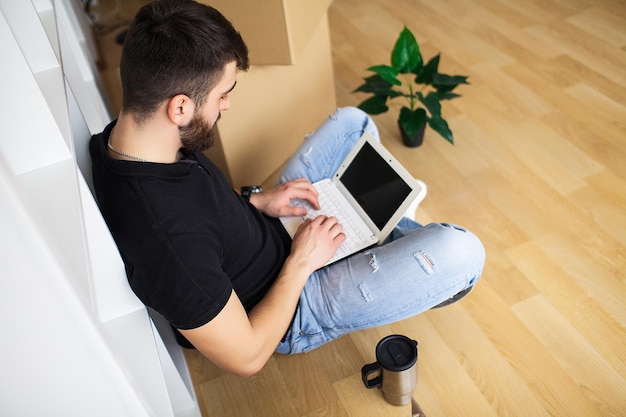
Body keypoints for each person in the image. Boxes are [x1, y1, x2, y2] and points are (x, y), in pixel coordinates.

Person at [90, 0, 485, 377]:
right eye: (223, 95)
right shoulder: (167, 244)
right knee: (463, 252)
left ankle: (375, 233)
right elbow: (246, 356)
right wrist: (302, 261)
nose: (226, 105)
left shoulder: (127, 140)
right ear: (179, 108)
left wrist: (257, 201)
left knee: (354, 122)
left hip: (273, 230)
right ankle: (383, 233)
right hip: (292, 302)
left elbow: (205, 212)